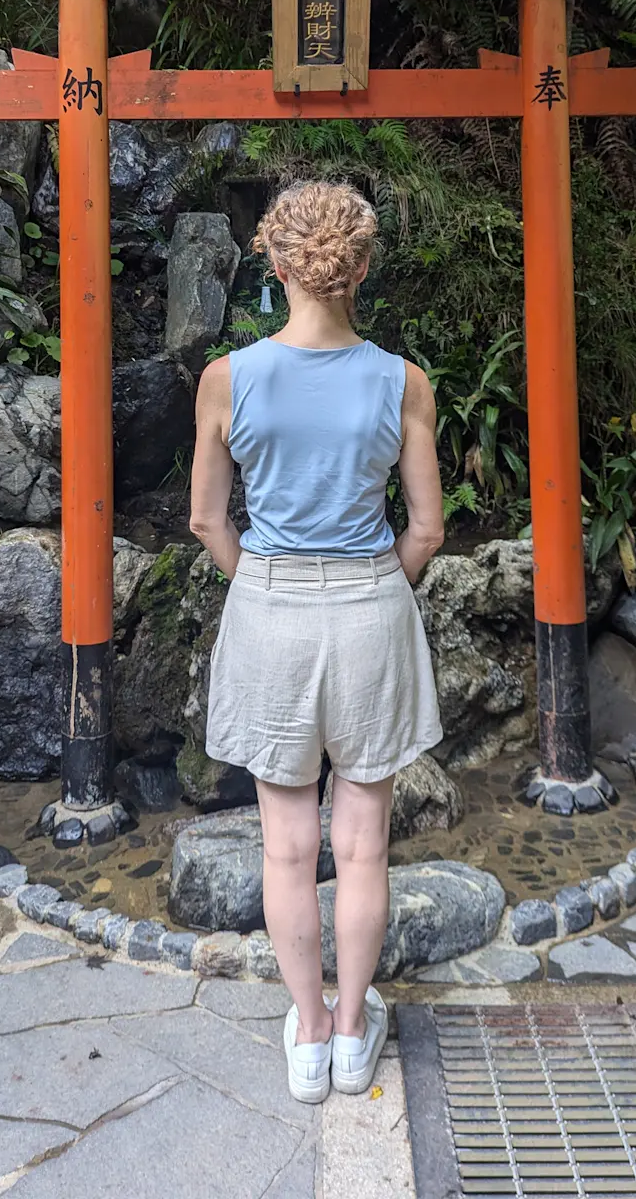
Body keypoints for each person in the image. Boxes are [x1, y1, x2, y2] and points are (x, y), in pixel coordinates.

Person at [189, 180, 444, 1104]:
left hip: (271, 613)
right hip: (373, 610)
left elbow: (209, 521)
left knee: (288, 845)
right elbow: (425, 530)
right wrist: (374, 590)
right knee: (365, 844)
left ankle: (305, 1035)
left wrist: (265, 587)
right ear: (361, 267)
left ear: (277, 262)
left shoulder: (229, 378)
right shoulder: (402, 381)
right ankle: (350, 1028)